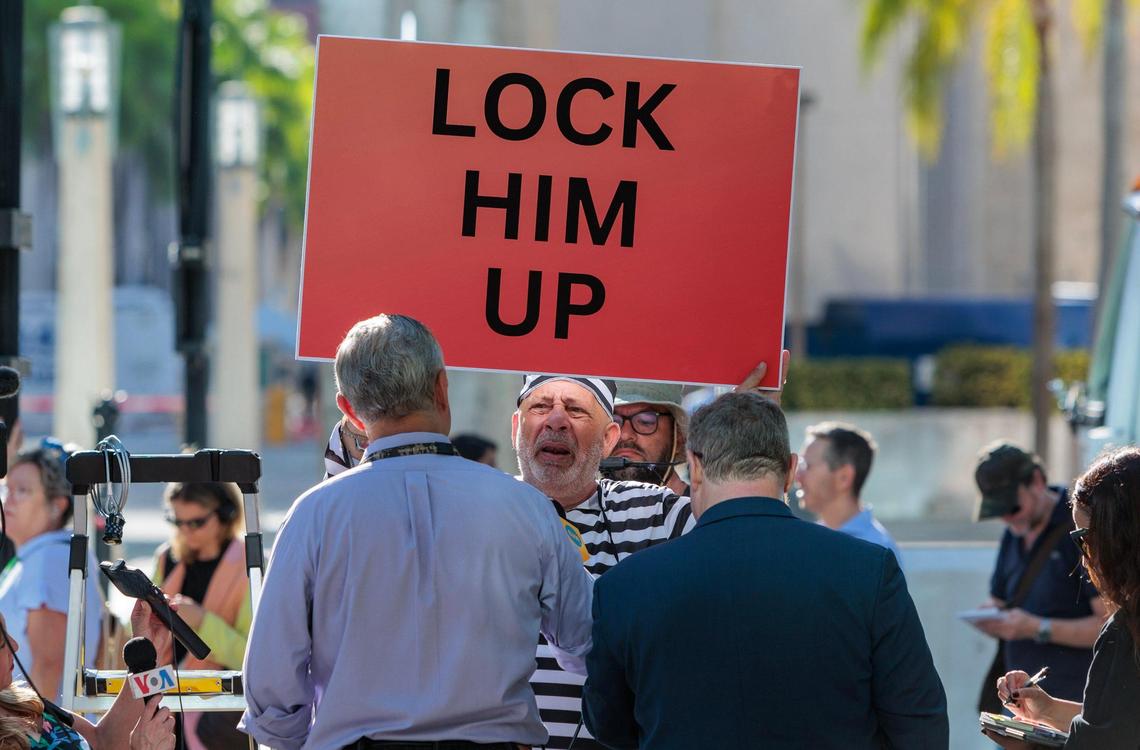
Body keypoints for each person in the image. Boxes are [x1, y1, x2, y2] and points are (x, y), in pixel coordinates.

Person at [240, 314, 593, 750]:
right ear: (441, 387)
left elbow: (272, 685)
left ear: (348, 409)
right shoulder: (527, 508)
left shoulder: (314, 515)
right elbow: (586, 643)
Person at [582, 392, 948, 749]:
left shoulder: (625, 587)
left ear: (694, 467)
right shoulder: (868, 570)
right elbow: (918, 720)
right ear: (790, 471)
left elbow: (609, 726)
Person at [517, 360, 780, 749]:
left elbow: (754, 549)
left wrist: (746, 443)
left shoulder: (662, 512)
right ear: (515, 427)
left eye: (575, 410)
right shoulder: (475, 508)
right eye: (540, 407)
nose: (556, 421)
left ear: (607, 439)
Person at [988, 446, 1140, 748]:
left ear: (1118, 537)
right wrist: (1048, 710)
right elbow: (1116, 722)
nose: (1084, 560)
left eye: (1083, 540)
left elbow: (1102, 740)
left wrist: (1030, 744)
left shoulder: (1125, 632)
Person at [971, 441, 1105, 702]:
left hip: (1072, 707)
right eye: (997, 511)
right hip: (1019, 704)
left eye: (1011, 507)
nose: (1007, 519)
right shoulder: (1014, 534)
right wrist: (990, 618)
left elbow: (1110, 624)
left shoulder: (1079, 529)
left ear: (1037, 481)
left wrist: (1037, 628)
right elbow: (1000, 601)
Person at [0, 444, 104, 702]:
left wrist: (32, 737)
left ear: (57, 505)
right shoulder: (49, 554)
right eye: (7, 489)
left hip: (34, 732)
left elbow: (48, 664)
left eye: (22, 491)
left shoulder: (48, 559)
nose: (7, 500)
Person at [152, 482, 251, 750]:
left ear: (226, 514)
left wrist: (201, 621)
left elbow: (250, 656)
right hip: (166, 697)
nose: (185, 531)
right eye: (177, 521)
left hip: (219, 711)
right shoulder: (167, 558)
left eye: (196, 522)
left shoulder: (248, 565)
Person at [0, 603, 176, 749]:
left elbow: (103, 741)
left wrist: (146, 659)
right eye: (2, 643)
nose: (14, 646)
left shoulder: (24, 704)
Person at [795, 421, 902, 563]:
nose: (797, 476)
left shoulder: (876, 553)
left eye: (806, 465)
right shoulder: (810, 539)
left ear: (844, 477)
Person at [604, 381, 689, 495]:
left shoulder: (698, 511)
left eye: (645, 421)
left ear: (678, 437)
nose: (625, 435)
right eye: (613, 421)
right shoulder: (576, 509)